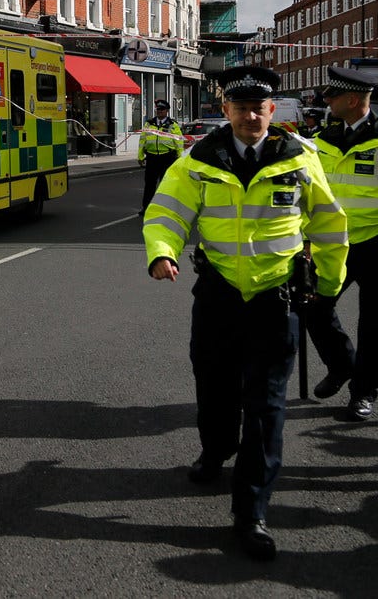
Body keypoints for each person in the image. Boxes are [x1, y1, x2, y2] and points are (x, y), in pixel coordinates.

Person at [143, 66, 348, 560]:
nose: (250, 116)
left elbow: (327, 221)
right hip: (217, 292)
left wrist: (327, 283)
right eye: (240, 108)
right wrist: (162, 251)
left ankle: (251, 509)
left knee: (266, 405)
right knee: (212, 384)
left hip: (276, 299)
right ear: (226, 111)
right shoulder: (199, 158)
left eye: (259, 108)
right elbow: (168, 209)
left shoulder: (300, 158)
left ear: (271, 111)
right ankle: (215, 449)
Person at [307, 66, 378, 421]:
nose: (327, 101)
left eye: (332, 96)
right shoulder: (323, 138)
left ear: (352, 100)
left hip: (374, 243)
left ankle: (363, 392)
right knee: (314, 308)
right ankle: (342, 364)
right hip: (332, 242)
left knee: (373, 325)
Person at [137, 99, 183, 214]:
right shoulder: (149, 123)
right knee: (149, 184)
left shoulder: (173, 125)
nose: (159, 111)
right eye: (158, 109)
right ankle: (146, 208)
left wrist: (181, 158)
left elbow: (179, 142)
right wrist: (140, 156)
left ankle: (165, 208)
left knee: (166, 184)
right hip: (152, 157)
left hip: (167, 157)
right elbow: (143, 139)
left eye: (162, 110)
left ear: (167, 111)